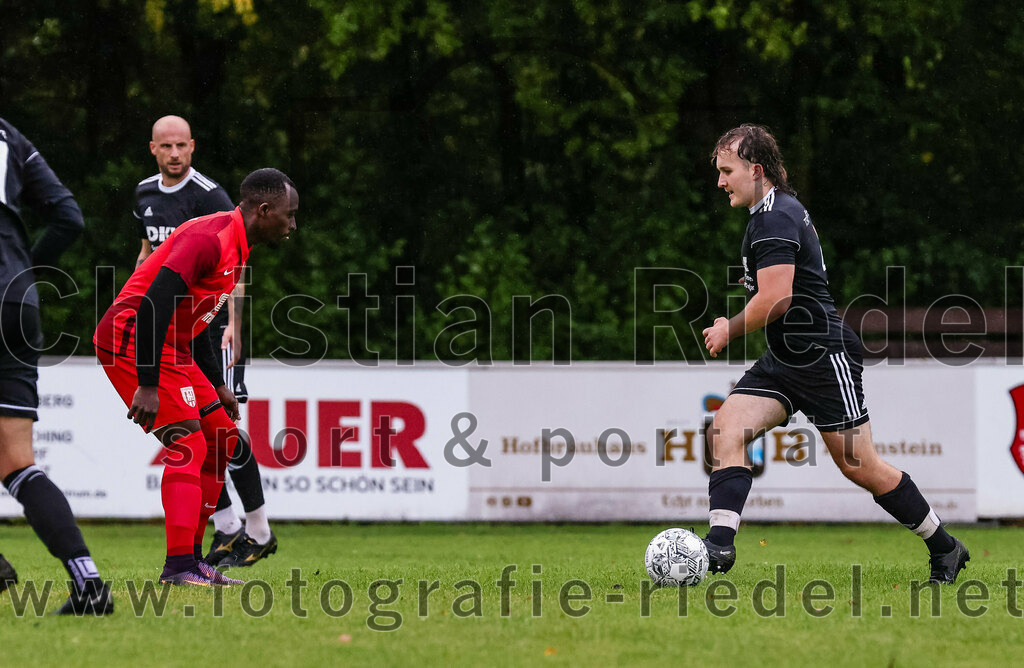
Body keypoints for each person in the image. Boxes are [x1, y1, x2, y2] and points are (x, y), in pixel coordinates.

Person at [701, 124, 969, 584]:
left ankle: (945, 547)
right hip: (785, 359)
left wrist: (730, 327)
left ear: (756, 170)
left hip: (823, 357)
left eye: (727, 171)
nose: (721, 181)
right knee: (726, 428)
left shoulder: (774, 218)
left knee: (860, 466)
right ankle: (718, 548)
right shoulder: (771, 213)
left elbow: (776, 299)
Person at [95, 168, 297, 585]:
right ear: (264, 210)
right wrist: (147, 383)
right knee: (187, 442)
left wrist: (218, 385)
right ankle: (179, 567)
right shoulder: (210, 238)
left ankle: (193, 560)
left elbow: (199, 318)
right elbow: (152, 304)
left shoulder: (237, 244)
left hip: (174, 346)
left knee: (222, 438)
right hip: (131, 338)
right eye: (289, 214)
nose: (292, 223)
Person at [134, 116, 277, 569]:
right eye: (166, 146)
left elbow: (234, 264)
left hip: (211, 328)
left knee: (224, 429)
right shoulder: (144, 194)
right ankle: (228, 526)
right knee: (197, 430)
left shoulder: (210, 195)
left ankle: (258, 530)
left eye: (181, 145)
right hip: (172, 328)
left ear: (192, 147)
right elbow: (147, 252)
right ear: (153, 149)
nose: (175, 153)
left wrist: (235, 323)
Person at [0, 117, 113, 613]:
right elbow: (68, 217)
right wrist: (23, 270)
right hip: (17, 301)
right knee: (16, 462)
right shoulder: (10, 135)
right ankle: (89, 585)